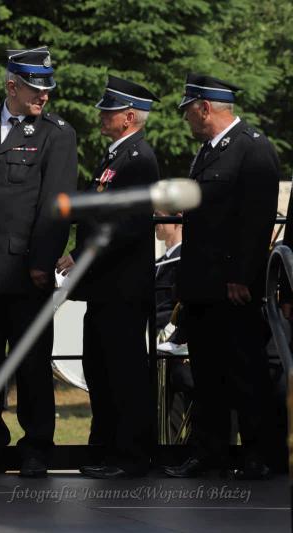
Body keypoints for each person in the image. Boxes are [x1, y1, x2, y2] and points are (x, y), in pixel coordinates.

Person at [0, 46, 77, 477]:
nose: (44, 96)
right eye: (34, 88)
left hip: (24, 269)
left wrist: (42, 261)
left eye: (47, 89)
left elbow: (56, 204)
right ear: (12, 86)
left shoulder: (56, 134)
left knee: (31, 364)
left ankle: (37, 446)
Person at [164, 74, 281, 480]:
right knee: (207, 376)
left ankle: (259, 455)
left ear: (204, 108)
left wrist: (241, 276)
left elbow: (256, 220)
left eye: (188, 111)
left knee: (245, 373)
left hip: (232, 287)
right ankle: (208, 451)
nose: (186, 119)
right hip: (203, 286)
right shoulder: (208, 152)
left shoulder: (253, 148)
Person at [56, 76, 160, 479]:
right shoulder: (115, 157)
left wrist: (82, 254)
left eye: (110, 111)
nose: (102, 116)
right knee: (100, 370)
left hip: (123, 287)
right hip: (104, 287)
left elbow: (127, 224)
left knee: (124, 374)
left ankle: (130, 456)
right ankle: (106, 448)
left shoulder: (139, 160)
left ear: (129, 117)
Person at [154, 212, 183, 333]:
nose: (155, 220)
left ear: (178, 219)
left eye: (159, 215)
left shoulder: (183, 260)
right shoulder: (159, 262)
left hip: (170, 337)